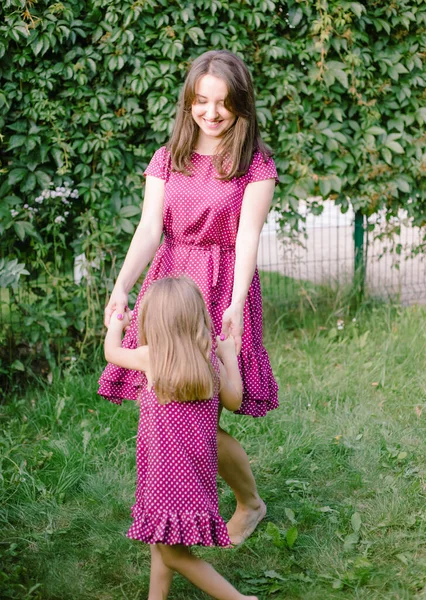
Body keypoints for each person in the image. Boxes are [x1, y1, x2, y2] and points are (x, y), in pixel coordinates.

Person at [99, 49, 278, 545]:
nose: (212, 112)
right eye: (202, 101)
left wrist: (236, 304)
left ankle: (248, 502)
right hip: (170, 288)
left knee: (203, 408)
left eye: (223, 103)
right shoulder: (168, 157)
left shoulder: (254, 166)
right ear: (189, 101)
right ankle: (176, 507)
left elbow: (247, 239)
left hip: (221, 286)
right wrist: (122, 284)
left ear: (241, 104)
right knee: (169, 404)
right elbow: (150, 228)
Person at [104, 276, 258, 600]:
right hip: (195, 472)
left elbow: (111, 352)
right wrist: (229, 356)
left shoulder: (150, 357)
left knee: (173, 553)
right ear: (198, 316)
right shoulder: (208, 361)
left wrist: (119, 319)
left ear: (152, 321)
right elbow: (234, 400)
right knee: (163, 540)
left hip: (164, 474)